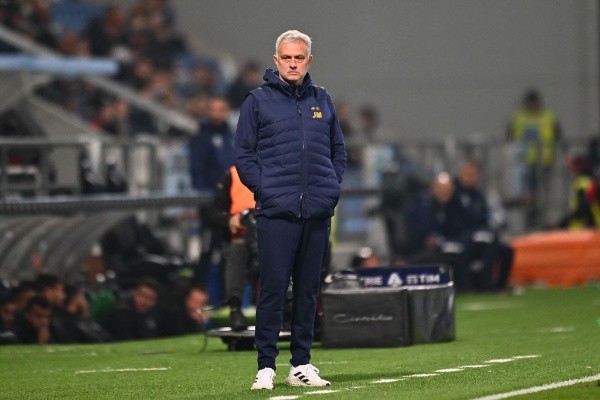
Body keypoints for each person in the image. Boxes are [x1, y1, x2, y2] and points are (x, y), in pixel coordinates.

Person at [235, 30, 346, 390]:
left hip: (316, 211)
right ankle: (266, 366)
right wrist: (267, 191)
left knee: (308, 291)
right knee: (273, 289)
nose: (293, 63)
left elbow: (338, 151)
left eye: (299, 58)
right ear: (276, 60)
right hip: (277, 212)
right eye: (287, 57)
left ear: (309, 61)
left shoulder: (322, 99)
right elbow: (243, 155)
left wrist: (329, 188)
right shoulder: (257, 101)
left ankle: (301, 364)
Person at [189, 96, 235, 292]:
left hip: (232, 205)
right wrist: (207, 199)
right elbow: (197, 172)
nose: (217, 114)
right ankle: (197, 295)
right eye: (214, 109)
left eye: (221, 110)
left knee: (230, 252)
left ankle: (227, 297)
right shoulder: (201, 138)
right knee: (207, 250)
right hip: (210, 205)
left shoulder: (232, 137)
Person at [507, 89, 561, 228]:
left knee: (543, 192)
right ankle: (531, 218)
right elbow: (510, 135)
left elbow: (557, 135)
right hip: (525, 162)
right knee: (529, 192)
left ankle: (543, 218)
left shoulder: (548, 116)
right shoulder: (519, 117)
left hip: (544, 161)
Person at [211, 165, 257, 331]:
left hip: (276, 237)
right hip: (243, 237)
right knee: (236, 250)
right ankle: (235, 307)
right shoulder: (231, 175)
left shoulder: (280, 171)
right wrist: (231, 219)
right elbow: (215, 214)